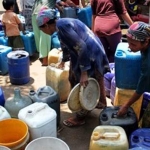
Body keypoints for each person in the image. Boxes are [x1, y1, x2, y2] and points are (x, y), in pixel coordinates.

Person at [36, 8, 110, 127]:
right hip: (93, 50)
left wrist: (84, 73)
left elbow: (81, 47)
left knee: (80, 82)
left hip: (89, 53)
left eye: (41, 29)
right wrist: (64, 60)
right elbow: (65, 43)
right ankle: (99, 103)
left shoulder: (62, 27)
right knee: (86, 77)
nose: (42, 32)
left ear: (46, 25)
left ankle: (80, 116)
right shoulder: (61, 24)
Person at [117, 22, 150, 120]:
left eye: (133, 44)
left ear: (146, 42)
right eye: (128, 42)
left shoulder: (148, 64)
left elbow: (140, 88)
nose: (129, 47)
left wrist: (126, 105)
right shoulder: (146, 38)